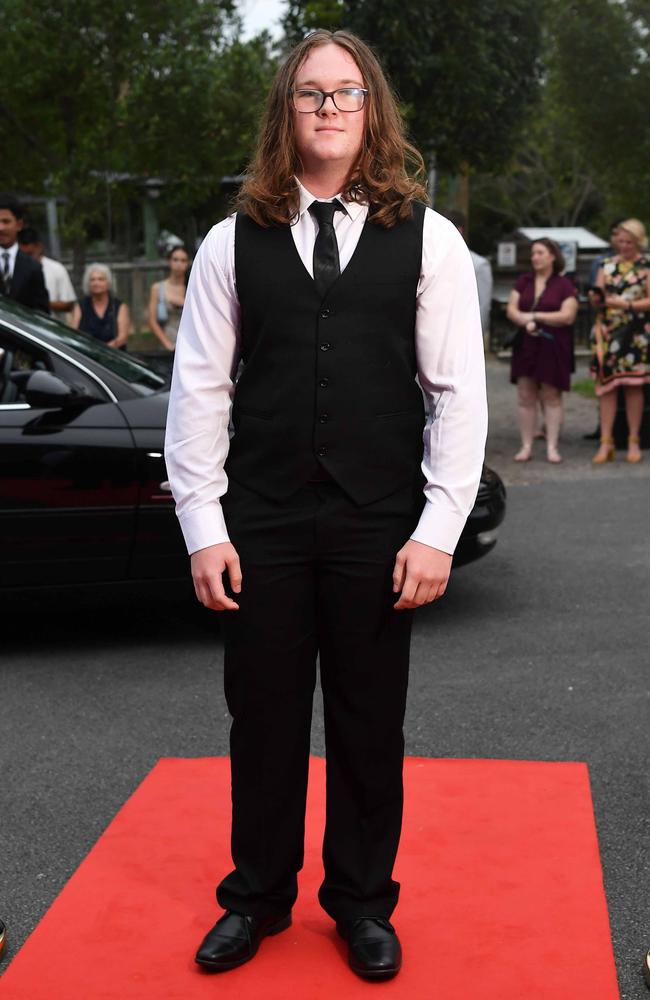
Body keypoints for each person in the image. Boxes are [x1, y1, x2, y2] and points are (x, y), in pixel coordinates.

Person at [165, 29, 487, 981]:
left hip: (377, 520)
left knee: (365, 721)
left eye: (347, 93)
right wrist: (203, 528)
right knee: (259, 718)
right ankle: (257, 898)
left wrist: (437, 531)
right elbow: (200, 394)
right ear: (287, 112)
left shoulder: (430, 235)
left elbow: (459, 395)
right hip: (258, 518)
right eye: (312, 94)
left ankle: (360, 903)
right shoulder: (232, 241)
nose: (330, 109)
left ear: (372, 109)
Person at [506, 238, 578, 463]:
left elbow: (568, 315)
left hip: (553, 345)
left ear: (552, 256)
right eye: (533, 253)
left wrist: (535, 317)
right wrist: (524, 321)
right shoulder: (524, 281)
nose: (535, 257)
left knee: (551, 395)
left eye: (540, 252)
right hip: (527, 344)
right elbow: (511, 310)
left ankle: (552, 446)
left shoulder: (564, 284)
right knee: (525, 394)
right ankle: (526, 445)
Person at [589, 218, 650, 464]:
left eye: (629, 242)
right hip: (608, 332)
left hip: (635, 334)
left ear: (638, 242)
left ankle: (634, 439)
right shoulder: (606, 265)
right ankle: (606, 441)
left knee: (633, 387)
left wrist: (625, 304)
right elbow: (599, 294)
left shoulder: (646, 266)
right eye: (621, 241)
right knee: (607, 388)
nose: (624, 246)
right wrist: (598, 299)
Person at [445, 209, 493, 340]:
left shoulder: (478, 264)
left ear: (458, 230)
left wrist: (474, 339)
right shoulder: (431, 259)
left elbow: (483, 306)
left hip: (464, 338)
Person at [0, 194, 49, 313]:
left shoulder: (33, 267)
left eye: (6, 221)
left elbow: (42, 312)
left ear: (19, 225)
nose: (0, 227)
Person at [18, 227, 76, 322]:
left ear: (39, 247)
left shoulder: (56, 268)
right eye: (23, 254)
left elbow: (68, 304)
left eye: (30, 254)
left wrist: (38, 303)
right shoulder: (13, 269)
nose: (27, 258)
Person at [71, 263, 130, 349]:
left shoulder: (119, 306)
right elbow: (73, 334)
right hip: (85, 355)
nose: (96, 283)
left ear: (109, 283)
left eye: (101, 279)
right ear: (88, 284)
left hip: (113, 355)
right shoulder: (80, 306)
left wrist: (102, 351)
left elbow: (123, 337)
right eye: (92, 280)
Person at [147, 245, 190, 351]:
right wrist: (167, 344)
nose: (179, 264)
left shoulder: (192, 287)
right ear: (169, 261)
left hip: (189, 344)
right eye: (175, 260)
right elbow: (152, 321)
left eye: (183, 260)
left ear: (188, 263)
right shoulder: (157, 288)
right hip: (166, 343)